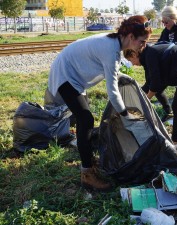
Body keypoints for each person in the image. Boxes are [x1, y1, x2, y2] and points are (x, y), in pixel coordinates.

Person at [47, 15, 152, 191]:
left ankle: (87, 159)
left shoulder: (115, 45)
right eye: (142, 42)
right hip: (65, 74)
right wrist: (125, 114)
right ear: (131, 37)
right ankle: (87, 174)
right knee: (86, 119)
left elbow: (113, 72)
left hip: (74, 76)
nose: (144, 46)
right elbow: (112, 91)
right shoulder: (110, 50)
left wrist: (127, 81)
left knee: (84, 119)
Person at [124, 43, 177, 152]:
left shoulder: (150, 55)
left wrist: (144, 101)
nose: (133, 64)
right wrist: (134, 97)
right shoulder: (148, 56)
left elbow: (155, 85)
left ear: (134, 54)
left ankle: (176, 144)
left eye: (131, 61)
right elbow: (150, 83)